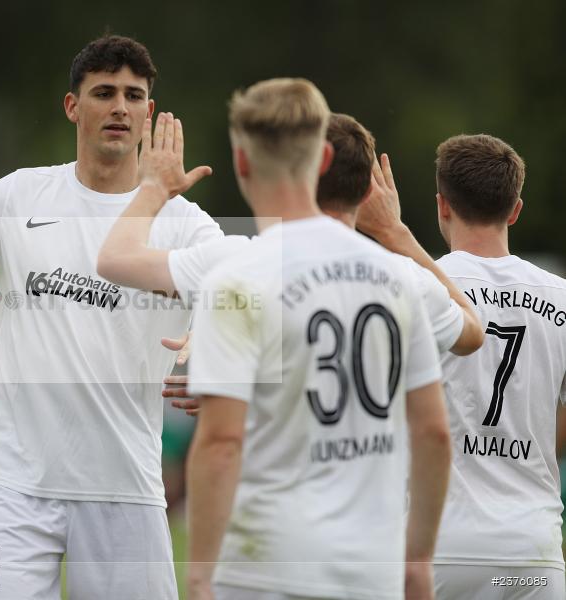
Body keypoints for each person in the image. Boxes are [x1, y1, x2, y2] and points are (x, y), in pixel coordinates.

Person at [0, 35, 222, 599]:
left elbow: (240, 297)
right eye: (104, 92)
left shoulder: (184, 221)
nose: (120, 107)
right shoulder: (20, 195)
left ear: (149, 114)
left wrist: (209, 350)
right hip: (14, 487)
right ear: (73, 106)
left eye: (134, 96)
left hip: (125, 486)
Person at [169, 78, 451, 599]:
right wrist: (417, 562)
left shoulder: (235, 279)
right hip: (373, 571)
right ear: (323, 159)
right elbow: (433, 431)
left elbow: (221, 442)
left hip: (265, 570)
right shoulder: (400, 276)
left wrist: (202, 573)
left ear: (243, 163)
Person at [98, 112, 484, 357]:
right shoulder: (407, 280)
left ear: (296, 175)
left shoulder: (241, 259)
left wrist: (153, 186)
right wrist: (394, 232)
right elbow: (473, 331)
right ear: (367, 192)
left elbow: (114, 259)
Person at [414, 134, 564, 599]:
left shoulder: (418, 289)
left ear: (442, 205)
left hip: (440, 547)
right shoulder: (560, 296)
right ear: (515, 209)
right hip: (530, 553)